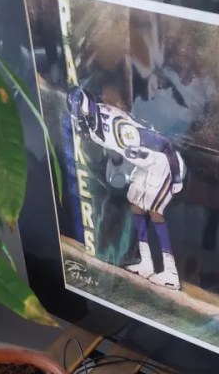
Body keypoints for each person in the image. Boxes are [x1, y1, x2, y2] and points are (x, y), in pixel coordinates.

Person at [66, 86, 185, 290]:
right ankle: (146, 262)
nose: (83, 126)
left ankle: (171, 272)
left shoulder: (121, 130)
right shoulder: (94, 121)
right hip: (144, 165)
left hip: (162, 163)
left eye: (85, 121)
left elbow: (165, 144)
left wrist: (176, 178)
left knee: (155, 211)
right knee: (136, 206)